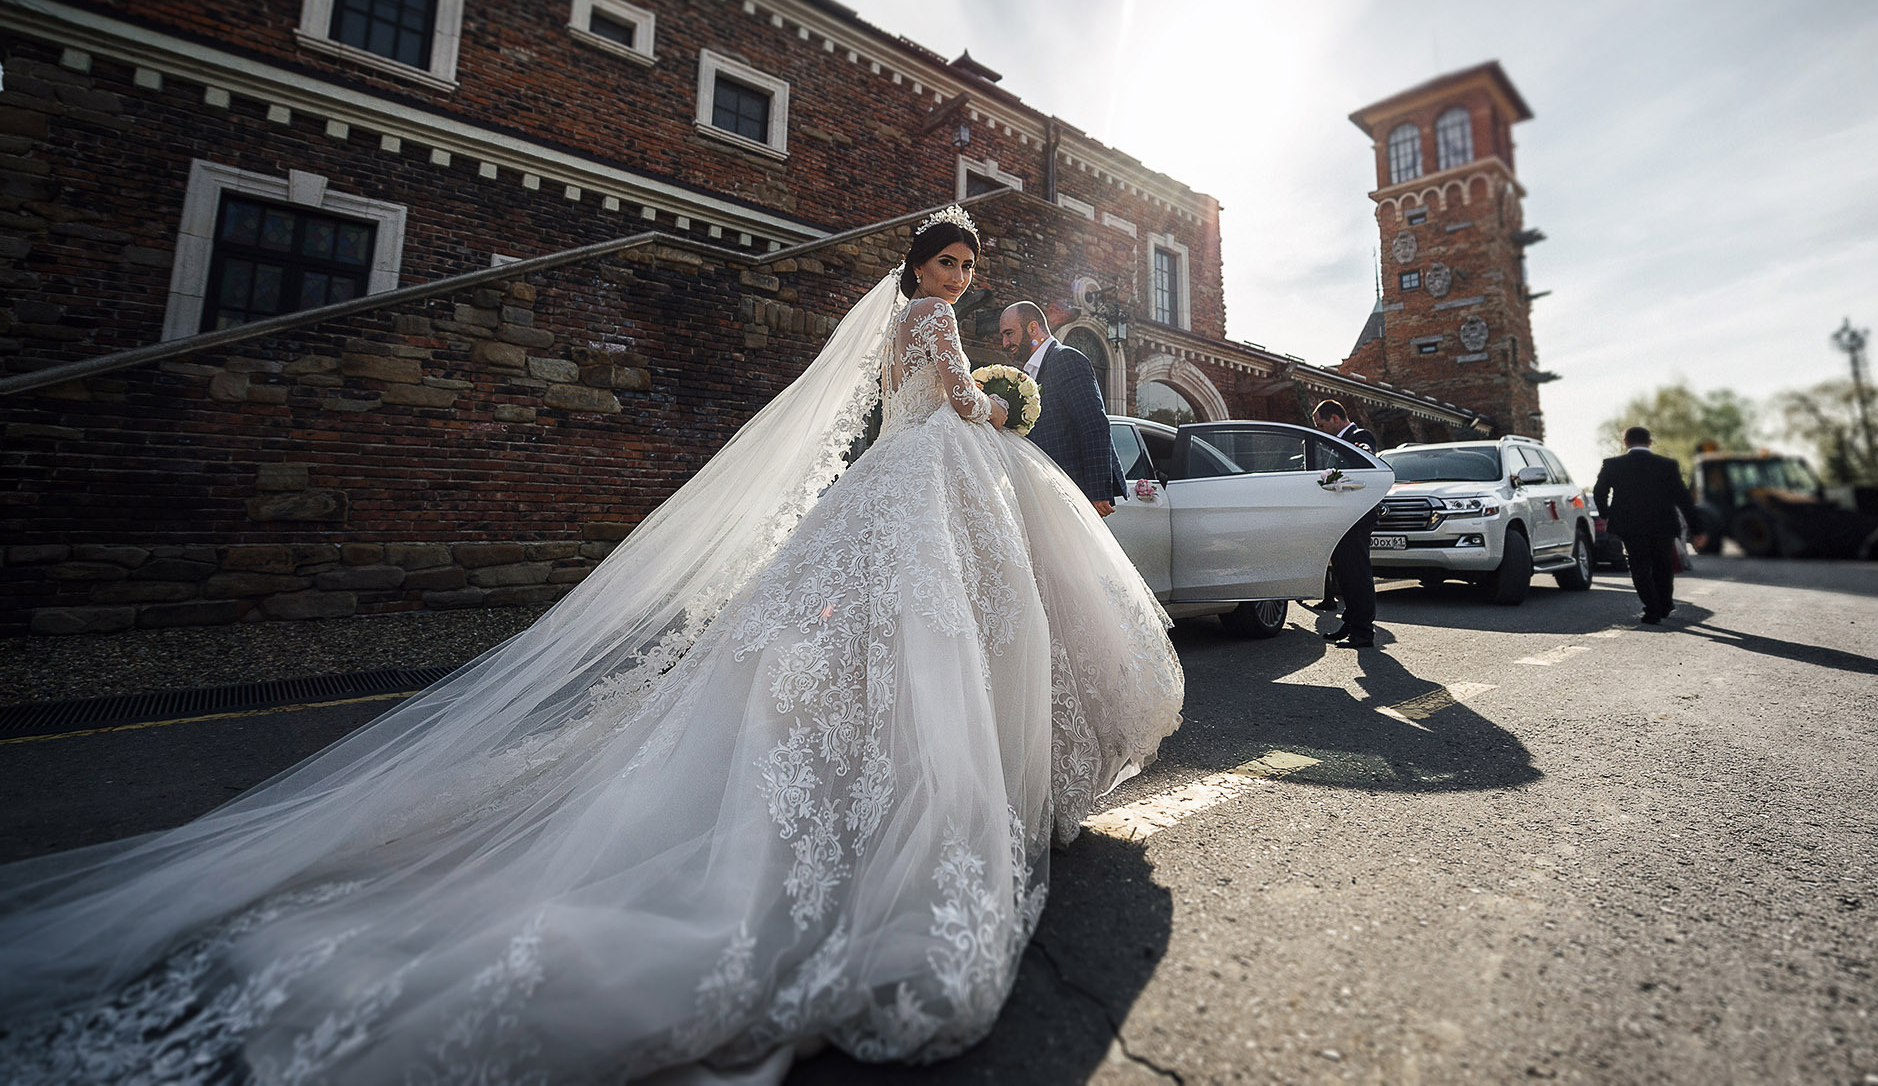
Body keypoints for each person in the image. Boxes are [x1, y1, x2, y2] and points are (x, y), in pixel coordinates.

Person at [0, 204, 1185, 1084]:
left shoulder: (897, 329)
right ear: (919, 268)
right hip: (930, 480)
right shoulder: (930, 325)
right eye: (948, 260)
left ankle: (896, 769)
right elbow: (957, 409)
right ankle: (937, 790)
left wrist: (975, 399)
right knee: (953, 630)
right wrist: (999, 400)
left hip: (896, 485)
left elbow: (898, 412)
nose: (959, 277)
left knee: (883, 639)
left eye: (969, 265)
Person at [999, 301, 1126, 518]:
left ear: (1032, 328)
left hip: (1075, 488)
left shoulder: (1066, 359)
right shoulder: (1026, 373)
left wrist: (1098, 491)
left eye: (1009, 334)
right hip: (1048, 488)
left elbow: (1093, 423)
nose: (1004, 343)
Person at [1594, 424, 1702, 625]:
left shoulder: (1612, 464)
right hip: (1663, 523)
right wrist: (1697, 528)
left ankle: (1652, 609)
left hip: (1629, 525)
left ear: (1625, 442)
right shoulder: (1667, 465)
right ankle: (1665, 603)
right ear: (1650, 442)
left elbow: (1599, 492)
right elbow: (1683, 497)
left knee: (1639, 566)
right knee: (1663, 565)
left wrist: (1605, 514)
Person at [1312, 400, 1381, 649]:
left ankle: (1363, 632)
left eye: (1321, 424)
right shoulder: (1334, 443)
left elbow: (1364, 462)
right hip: (1342, 517)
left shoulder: (1359, 436)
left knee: (1358, 574)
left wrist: (1332, 478)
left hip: (1357, 515)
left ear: (1335, 418)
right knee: (1345, 573)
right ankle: (1351, 623)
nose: (1320, 429)